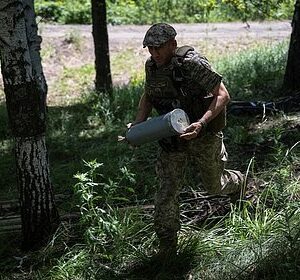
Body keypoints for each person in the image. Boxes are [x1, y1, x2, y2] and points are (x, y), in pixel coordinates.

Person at [130, 23, 245, 259]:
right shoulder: (151, 66)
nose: (154, 53)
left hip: (202, 135)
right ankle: (167, 247)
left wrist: (201, 123)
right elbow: (148, 95)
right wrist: (138, 126)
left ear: (173, 44)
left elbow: (222, 95)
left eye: (159, 47)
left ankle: (239, 182)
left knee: (215, 185)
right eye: (150, 48)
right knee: (166, 191)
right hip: (171, 139)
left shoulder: (192, 63)